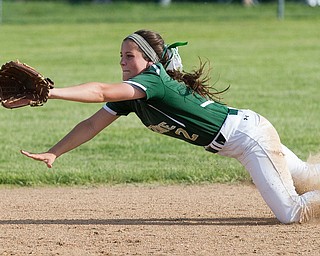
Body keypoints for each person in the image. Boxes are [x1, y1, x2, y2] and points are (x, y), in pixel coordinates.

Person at [21, 29, 320, 224]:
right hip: (247, 132)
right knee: (307, 175)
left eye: (130, 56)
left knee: (291, 213)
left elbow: (99, 90)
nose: (123, 62)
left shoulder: (153, 81)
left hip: (250, 139)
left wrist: (52, 91)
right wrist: (54, 152)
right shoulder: (134, 93)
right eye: (121, 56)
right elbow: (91, 124)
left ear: (149, 60)